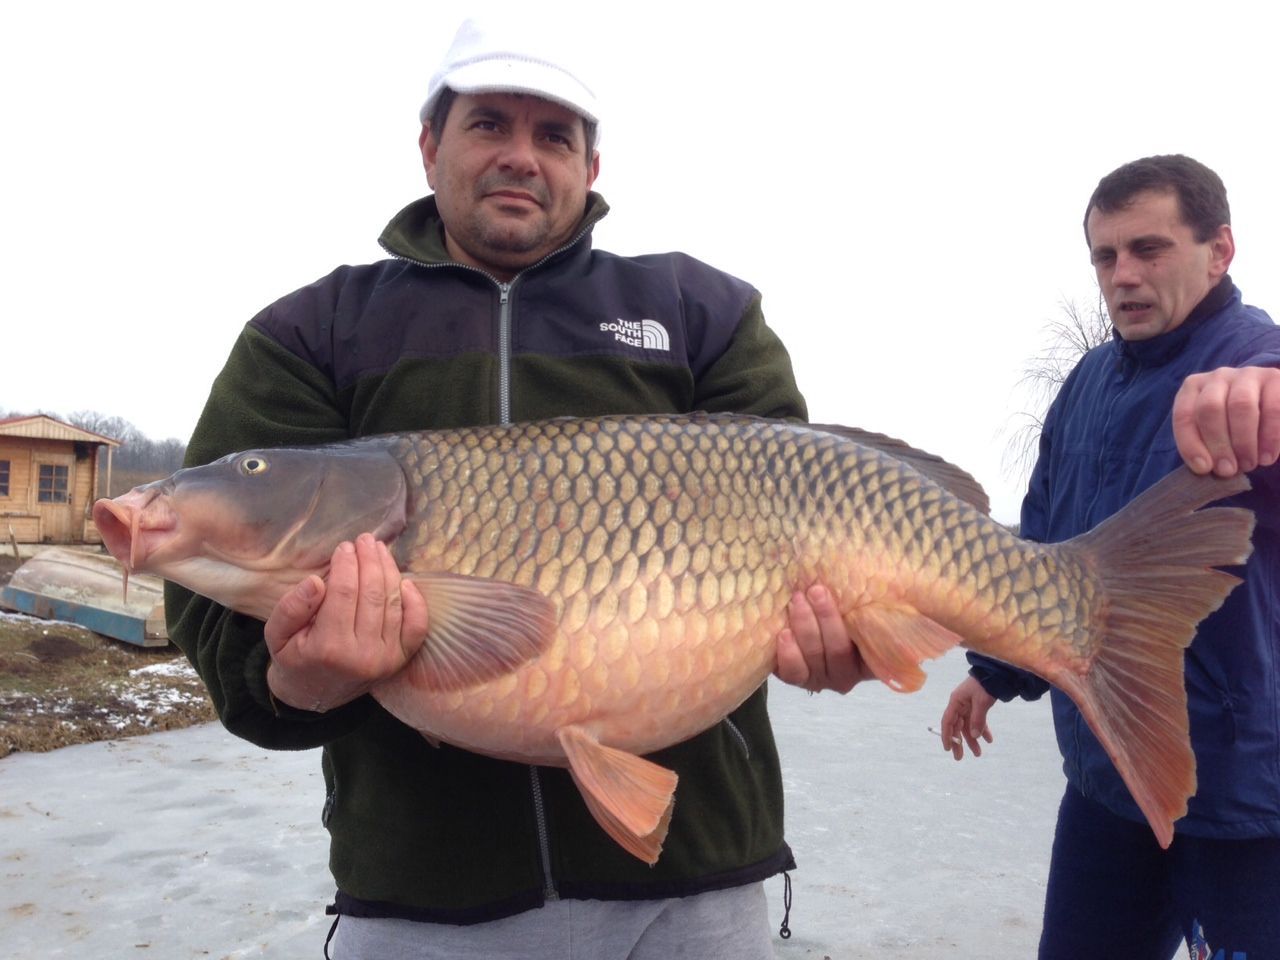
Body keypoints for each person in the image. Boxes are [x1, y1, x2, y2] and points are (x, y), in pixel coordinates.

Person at [167, 17, 865, 959]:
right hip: (424, 900)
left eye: (554, 136)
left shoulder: (701, 313)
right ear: (429, 146)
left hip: (694, 888)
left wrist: (848, 636)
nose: (521, 157)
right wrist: (294, 679)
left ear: (592, 164)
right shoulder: (312, 334)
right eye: (490, 123)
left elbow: (816, 506)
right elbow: (212, 614)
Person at [940, 154, 1280, 959]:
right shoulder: (1087, 383)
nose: (1122, 275)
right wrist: (994, 672)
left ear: (1220, 251)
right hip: (1107, 775)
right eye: (1105, 255)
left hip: (1242, 797)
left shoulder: (1255, 362)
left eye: (1149, 249)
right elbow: (1042, 541)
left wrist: (1267, 393)